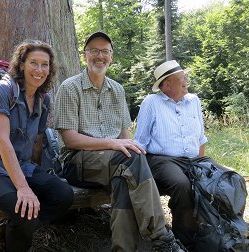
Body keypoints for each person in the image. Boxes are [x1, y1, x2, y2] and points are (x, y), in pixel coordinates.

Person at [55, 32, 185, 252]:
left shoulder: (117, 90)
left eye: (105, 51)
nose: (100, 56)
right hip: (75, 162)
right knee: (129, 160)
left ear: (111, 56)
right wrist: (113, 144)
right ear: (85, 55)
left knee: (125, 181)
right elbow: (70, 139)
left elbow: (125, 135)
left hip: (114, 163)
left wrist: (126, 146)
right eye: (94, 50)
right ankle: (162, 239)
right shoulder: (70, 87)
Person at [0, 40, 74, 252]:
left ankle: (9, 236)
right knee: (24, 210)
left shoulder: (43, 98)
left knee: (63, 195)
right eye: (34, 63)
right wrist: (24, 188)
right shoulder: (3, 90)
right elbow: (2, 140)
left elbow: (37, 142)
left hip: (22, 167)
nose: (39, 70)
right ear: (21, 64)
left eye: (45, 64)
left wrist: (40, 178)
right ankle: (18, 232)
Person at [134, 60, 236, 251]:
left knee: (228, 179)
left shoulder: (194, 100)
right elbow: (140, 142)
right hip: (161, 159)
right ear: (166, 85)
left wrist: (200, 166)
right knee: (182, 184)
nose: (186, 82)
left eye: (185, 78)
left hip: (193, 159)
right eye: (181, 79)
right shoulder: (152, 103)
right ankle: (184, 241)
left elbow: (200, 138)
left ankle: (223, 233)